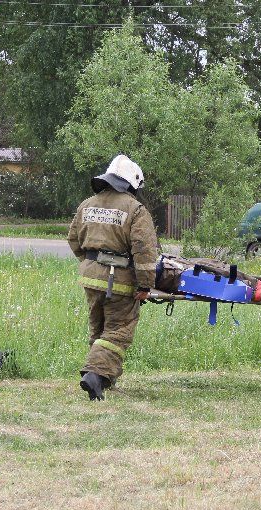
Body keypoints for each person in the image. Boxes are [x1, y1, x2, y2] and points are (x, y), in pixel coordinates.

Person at [67, 155, 159, 401]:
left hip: (91, 278)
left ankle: (105, 379)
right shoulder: (136, 210)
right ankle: (95, 374)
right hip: (119, 281)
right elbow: (144, 250)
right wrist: (145, 284)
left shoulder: (86, 205)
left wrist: (91, 263)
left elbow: (73, 239)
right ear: (131, 184)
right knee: (118, 331)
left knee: (99, 329)